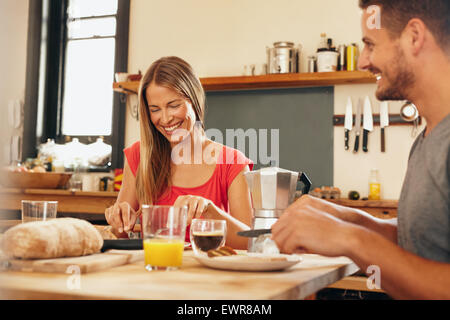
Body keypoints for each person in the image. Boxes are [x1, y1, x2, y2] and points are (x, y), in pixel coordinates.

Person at [272, 0, 450, 299]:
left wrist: (352, 239)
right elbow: (424, 240)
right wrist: (345, 218)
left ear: (414, 37)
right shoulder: (428, 136)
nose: (362, 61)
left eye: (369, 44)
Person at [105, 56, 253, 249]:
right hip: (155, 271)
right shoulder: (138, 156)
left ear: (194, 101)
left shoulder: (232, 162)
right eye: (155, 109)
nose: (165, 119)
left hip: (209, 275)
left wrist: (210, 212)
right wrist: (118, 220)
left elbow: (249, 243)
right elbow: (119, 235)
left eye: (174, 105)